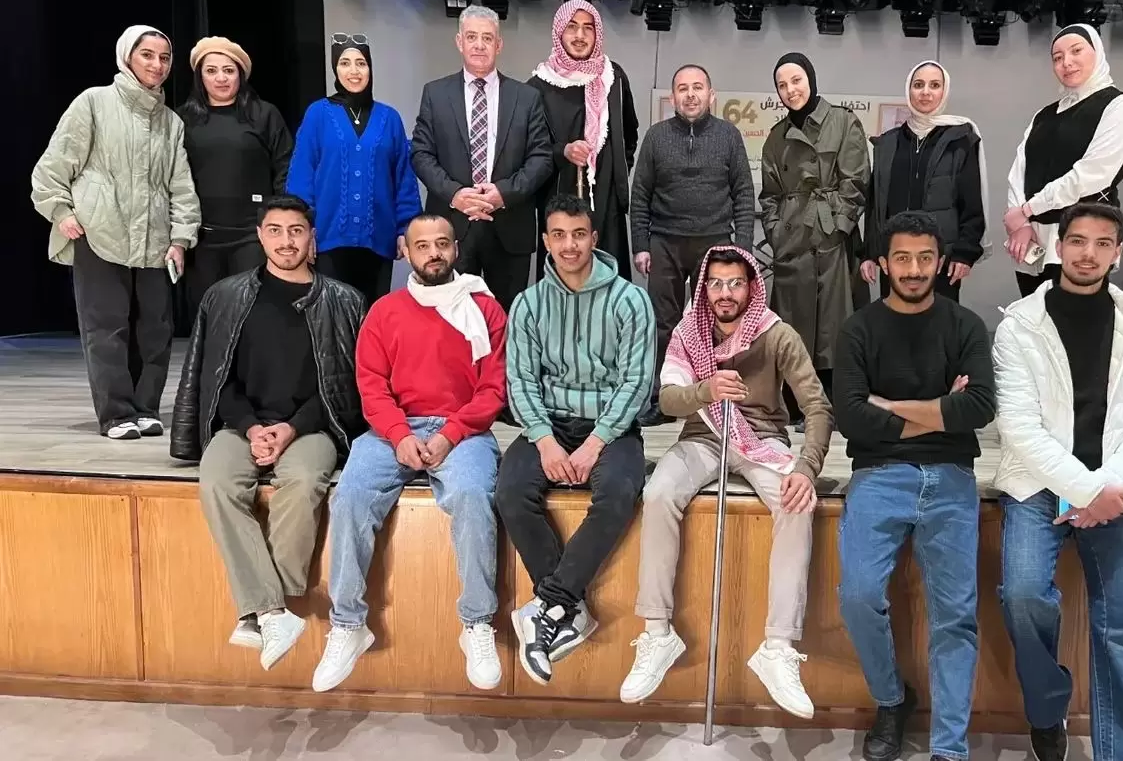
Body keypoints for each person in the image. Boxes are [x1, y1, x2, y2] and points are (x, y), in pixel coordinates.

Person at [992, 202, 1123, 761]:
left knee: (1120, 630)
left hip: (1121, 490)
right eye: (1077, 241)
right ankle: (1048, 708)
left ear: (1117, 253)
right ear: (1058, 246)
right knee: (1022, 597)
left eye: (1102, 244)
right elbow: (1018, 425)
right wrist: (1085, 490)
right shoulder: (1019, 324)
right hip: (1038, 485)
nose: (1088, 254)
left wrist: (1108, 488)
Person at [621, 245, 831, 718]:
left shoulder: (777, 334)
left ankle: (778, 646)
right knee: (658, 493)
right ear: (704, 288)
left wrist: (806, 467)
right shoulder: (688, 332)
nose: (725, 293)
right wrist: (707, 389)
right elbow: (668, 400)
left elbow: (817, 406)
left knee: (798, 501)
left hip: (763, 439)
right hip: (703, 438)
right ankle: (656, 632)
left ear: (752, 287)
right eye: (716, 283)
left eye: (735, 283)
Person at [312, 213, 508, 693]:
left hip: (463, 429)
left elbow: (493, 389)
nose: (433, 253)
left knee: (472, 497)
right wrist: (399, 435)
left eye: (442, 244)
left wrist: (451, 434)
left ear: (455, 249)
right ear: (406, 252)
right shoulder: (385, 312)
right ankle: (347, 624)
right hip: (392, 430)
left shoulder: (484, 308)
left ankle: (477, 623)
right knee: (350, 495)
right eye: (423, 245)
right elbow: (371, 386)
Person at [170, 195, 366, 669]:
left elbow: (347, 385)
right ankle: (275, 612)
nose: (286, 241)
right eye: (275, 231)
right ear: (260, 237)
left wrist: (291, 428)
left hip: (313, 426)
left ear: (312, 237)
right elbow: (217, 379)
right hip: (243, 425)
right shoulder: (226, 296)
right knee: (217, 482)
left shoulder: (344, 301)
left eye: (296, 231)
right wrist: (253, 427)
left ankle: (261, 610)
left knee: (304, 481)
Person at [832, 211, 997, 761]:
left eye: (925, 258)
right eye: (902, 258)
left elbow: (979, 407)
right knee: (858, 597)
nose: (914, 269)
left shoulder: (965, 326)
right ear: (883, 263)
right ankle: (892, 699)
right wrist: (940, 410)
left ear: (941, 262)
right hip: (878, 475)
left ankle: (950, 748)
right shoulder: (858, 329)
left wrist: (888, 405)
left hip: (951, 476)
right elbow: (852, 418)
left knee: (956, 616)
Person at [497, 194, 655, 686]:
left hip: (611, 425)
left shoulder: (630, 300)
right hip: (549, 424)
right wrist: (545, 441)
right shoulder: (527, 304)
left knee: (618, 494)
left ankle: (551, 604)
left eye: (579, 234)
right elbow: (520, 380)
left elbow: (636, 381)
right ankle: (568, 607)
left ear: (594, 238)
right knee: (509, 492)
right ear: (546, 241)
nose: (570, 245)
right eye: (560, 235)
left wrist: (595, 443)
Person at [31, 24, 201, 440]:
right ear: (127, 57)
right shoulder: (94, 102)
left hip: (154, 241)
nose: (157, 65)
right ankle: (116, 414)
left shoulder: (171, 122)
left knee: (155, 330)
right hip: (99, 234)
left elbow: (180, 185)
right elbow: (53, 166)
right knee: (106, 329)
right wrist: (61, 212)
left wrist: (180, 238)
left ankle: (146, 409)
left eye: (164, 58)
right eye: (148, 55)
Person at [630, 64, 755, 424]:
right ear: (673, 97)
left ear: (711, 95)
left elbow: (744, 194)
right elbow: (640, 195)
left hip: (715, 243)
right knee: (663, 324)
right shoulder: (656, 137)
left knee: (717, 322)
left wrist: (742, 248)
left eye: (697, 87)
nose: (690, 94)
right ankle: (663, 398)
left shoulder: (729, 135)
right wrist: (641, 244)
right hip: (664, 242)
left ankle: (714, 398)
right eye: (683, 88)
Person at [411, 5, 555, 312]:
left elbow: (541, 158)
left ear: (499, 45)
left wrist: (503, 193)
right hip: (451, 228)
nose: (479, 45)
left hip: (509, 226)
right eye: (472, 37)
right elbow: (421, 154)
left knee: (508, 320)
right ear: (459, 41)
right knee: (450, 320)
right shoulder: (435, 94)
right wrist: (455, 194)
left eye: (487, 38)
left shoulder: (526, 97)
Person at [760, 52, 869, 425]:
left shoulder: (843, 121)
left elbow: (856, 182)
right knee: (793, 324)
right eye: (782, 85)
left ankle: (834, 405)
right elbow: (770, 196)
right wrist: (777, 232)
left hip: (832, 242)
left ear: (811, 79)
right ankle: (794, 404)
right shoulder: (776, 137)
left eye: (796, 80)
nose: (791, 90)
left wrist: (837, 226)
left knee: (833, 326)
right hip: (791, 242)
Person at [1003, 23, 1123, 297]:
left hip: (1083, 236)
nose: (1066, 62)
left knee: (1074, 318)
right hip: (1032, 239)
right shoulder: (1044, 115)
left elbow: (1090, 175)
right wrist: (1020, 223)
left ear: (1097, 52)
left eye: (1076, 51)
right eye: (1057, 57)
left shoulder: (1119, 107)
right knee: (1032, 316)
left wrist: (1027, 209)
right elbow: (1019, 170)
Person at [287, 33, 422, 305]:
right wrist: (301, 228)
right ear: (335, 69)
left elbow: (403, 180)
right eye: (345, 63)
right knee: (332, 317)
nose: (354, 71)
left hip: (378, 240)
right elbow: (302, 175)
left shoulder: (389, 118)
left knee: (372, 318)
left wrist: (405, 229)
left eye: (361, 63)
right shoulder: (318, 114)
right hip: (328, 239)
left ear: (370, 69)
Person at [179, 37, 294, 316]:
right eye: (211, 71)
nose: (221, 78)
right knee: (208, 317)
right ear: (200, 76)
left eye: (228, 70)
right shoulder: (183, 119)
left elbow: (285, 169)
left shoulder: (264, 114)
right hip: (201, 239)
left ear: (240, 75)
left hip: (251, 236)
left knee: (252, 315)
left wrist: (280, 225)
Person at [528, 0, 639, 281]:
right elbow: (530, 149)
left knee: (609, 283)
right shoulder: (539, 85)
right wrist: (562, 151)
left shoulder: (613, 77)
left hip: (605, 202)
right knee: (561, 283)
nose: (580, 35)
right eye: (572, 27)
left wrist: (613, 171)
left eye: (588, 28)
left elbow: (629, 134)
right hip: (557, 196)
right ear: (559, 32)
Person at [864, 60, 987, 303]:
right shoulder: (887, 143)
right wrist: (870, 253)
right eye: (918, 85)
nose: (926, 92)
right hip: (895, 257)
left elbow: (972, 202)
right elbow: (874, 205)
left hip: (941, 259)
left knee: (939, 322)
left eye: (934, 85)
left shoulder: (961, 140)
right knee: (893, 321)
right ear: (909, 90)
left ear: (945, 91)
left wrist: (964, 253)